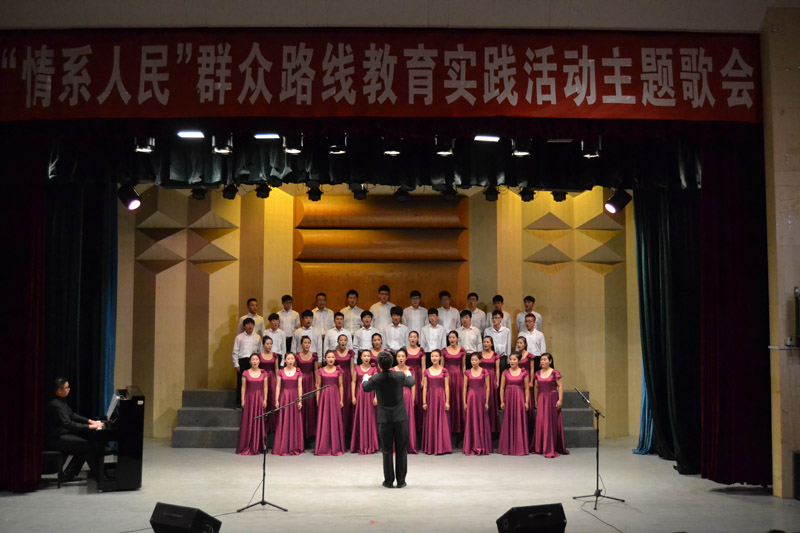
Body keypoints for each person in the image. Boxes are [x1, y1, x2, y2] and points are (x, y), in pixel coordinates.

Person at [362, 351, 415, 488]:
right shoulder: (399, 375)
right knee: (401, 450)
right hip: (400, 418)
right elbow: (411, 382)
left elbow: (365, 388)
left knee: (387, 451)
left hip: (384, 419)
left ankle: (388, 481)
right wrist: (409, 373)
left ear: (379, 365)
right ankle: (401, 481)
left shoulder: (376, 378)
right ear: (392, 364)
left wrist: (365, 378)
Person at [45, 378, 104, 481]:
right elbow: (68, 424)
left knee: (84, 447)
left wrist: (90, 421)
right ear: (59, 390)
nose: (69, 389)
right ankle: (99, 476)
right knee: (86, 446)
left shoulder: (60, 401)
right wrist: (90, 427)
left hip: (62, 435)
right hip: (57, 438)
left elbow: (72, 415)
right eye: (67, 387)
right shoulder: (55, 404)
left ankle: (69, 475)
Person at [532, 353, 569, 458]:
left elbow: (560, 386)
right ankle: (540, 447)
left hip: (552, 399)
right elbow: (536, 387)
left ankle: (549, 447)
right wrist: (535, 400)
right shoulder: (537, 373)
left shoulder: (555, 373)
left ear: (550, 361)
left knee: (550, 423)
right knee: (541, 422)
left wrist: (560, 400)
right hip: (541, 398)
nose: (542, 361)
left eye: (545, 359)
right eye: (541, 360)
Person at [498, 352, 530, 456]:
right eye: (510, 359)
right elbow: (502, 388)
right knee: (508, 421)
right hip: (508, 399)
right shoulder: (505, 372)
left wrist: (526, 402)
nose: (512, 361)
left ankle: (519, 447)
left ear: (519, 361)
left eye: (514, 359)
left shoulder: (524, 373)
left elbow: (527, 388)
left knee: (519, 420)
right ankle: (507, 447)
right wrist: (502, 401)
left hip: (519, 398)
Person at [272, 352, 304, 456]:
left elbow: (299, 387)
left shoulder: (298, 372)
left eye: (292, 359)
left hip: (294, 397)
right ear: (285, 360)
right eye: (288, 359)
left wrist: (300, 400)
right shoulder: (281, 372)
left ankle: (294, 446)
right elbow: (278, 386)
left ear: (295, 360)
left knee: (294, 420)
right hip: (284, 397)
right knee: (284, 420)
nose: (290, 361)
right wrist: (276, 400)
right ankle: (283, 446)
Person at [421, 349, 452, 455]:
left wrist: (447, 401)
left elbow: (447, 387)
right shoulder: (427, 371)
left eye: (436, 356)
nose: (434, 358)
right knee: (431, 420)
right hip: (431, 397)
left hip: (441, 396)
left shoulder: (444, 371)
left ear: (440, 358)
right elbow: (425, 387)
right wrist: (424, 401)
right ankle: (431, 446)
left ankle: (442, 447)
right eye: (432, 356)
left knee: (442, 420)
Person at [236, 354, 268, 455]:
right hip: (249, 398)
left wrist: (265, 399)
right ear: (250, 361)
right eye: (253, 360)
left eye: (256, 359)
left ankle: (258, 445)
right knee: (248, 420)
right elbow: (243, 387)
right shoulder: (245, 373)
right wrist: (242, 399)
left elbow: (265, 387)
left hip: (259, 398)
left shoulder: (264, 373)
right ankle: (247, 444)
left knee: (259, 421)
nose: (255, 361)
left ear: (259, 361)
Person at [315, 351, 345, 456]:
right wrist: (318, 399)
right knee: (324, 419)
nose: (331, 359)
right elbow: (318, 385)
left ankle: (336, 446)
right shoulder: (320, 370)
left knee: (334, 419)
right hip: (324, 396)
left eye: (332, 357)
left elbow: (341, 385)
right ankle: (323, 446)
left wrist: (341, 399)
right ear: (325, 359)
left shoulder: (338, 370)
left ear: (335, 359)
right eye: (329, 357)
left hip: (335, 395)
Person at [350, 350, 380, 455]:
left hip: (370, 395)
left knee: (371, 418)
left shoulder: (374, 369)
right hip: (360, 395)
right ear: (361, 358)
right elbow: (353, 382)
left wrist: (376, 397)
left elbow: (376, 384)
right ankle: (360, 444)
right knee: (360, 417)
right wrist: (353, 396)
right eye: (364, 356)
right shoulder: (356, 369)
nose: (366, 358)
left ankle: (371, 444)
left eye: (368, 356)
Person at [463, 353, 492, 456]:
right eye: (472, 360)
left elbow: (488, 387)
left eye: (475, 360)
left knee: (481, 419)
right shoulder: (467, 372)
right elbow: (465, 388)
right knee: (471, 420)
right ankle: (471, 444)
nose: (474, 362)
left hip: (481, 397)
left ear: (480, 360)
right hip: (471, 397)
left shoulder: (484, 372)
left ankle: (482, 444)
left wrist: (487, 401)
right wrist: (464, 402)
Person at [232, 317, 262, 409]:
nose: (250, 326)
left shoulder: (257, 337)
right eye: (248, 324)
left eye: (252, 324)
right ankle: (239, 403)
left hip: (253, 362)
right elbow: (235, 351)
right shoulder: (239, 337)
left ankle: (251, 403)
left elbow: (259, 351)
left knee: (253, 383)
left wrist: (258, 363)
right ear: (244, 326)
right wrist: (236, 364)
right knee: (241, 382)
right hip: (242, 361)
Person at [393, 348, 417, 454]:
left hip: (407, 396)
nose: (401, 358)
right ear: (396, 358)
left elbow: (413, 385)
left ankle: (408, 445)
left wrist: (413, 399)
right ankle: (397, 446)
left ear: (406, 358)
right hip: (395, 397)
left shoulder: (410, 370)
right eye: (399, 356)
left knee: (407, 420)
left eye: (403, 356)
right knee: (396, 421)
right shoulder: (392, 370)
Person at [295, 336, 319, 443]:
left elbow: (316, 370)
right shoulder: (297, 356)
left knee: (310, 405)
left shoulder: (314, 356)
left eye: (308, 342)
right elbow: (295, 370)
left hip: (310, 381)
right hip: (300, 381)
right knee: (301, 404)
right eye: (305, 342)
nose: (307, 344)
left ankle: (310, 434)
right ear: (301, 344)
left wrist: (317, 383)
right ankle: (300, 432)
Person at [443, 330, 466, 436]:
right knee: (448, 398)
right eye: (450, 337)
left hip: (458, 376)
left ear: (457, 338)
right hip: (447, 376)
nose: (452, 339)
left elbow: (464, 366)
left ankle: (459, 428)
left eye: (453, 337)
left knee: (458, 399)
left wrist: (464, 378)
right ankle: (447, 426)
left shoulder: (462, 350)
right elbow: (442, 366)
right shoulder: (444, 350)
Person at [333, 334, 356, 436]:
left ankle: (348, 428)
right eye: (341, 340)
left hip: (347, 377)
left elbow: (352, 367)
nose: (343, 342)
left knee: (347, 400)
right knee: (338, 399)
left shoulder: (350, 353)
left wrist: (353, 379)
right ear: (338, 342)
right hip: (337, 377)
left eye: (345, 340)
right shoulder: (334, 353)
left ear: (347, 342)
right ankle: (337, 427)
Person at [479, 336, 501, 433]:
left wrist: (497, 380)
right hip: (481, 378)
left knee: (491, 400)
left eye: (487, 342)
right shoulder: (479, 355)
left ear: (491, 343)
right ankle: (482, 424)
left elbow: (497, 369)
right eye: (484, 342)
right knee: (482, 399)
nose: (485, 344)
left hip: (491, 377)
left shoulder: (495, 355)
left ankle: (492, 427)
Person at [405, 330, 426, 433]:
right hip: (407, 375)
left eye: (415, 337)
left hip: (417, 375)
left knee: (418, 398)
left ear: (418, 339)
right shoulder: (405, 350)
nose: (413, 338)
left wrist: (423, 379)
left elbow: (423, 367)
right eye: (411, 337)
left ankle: (419, 426)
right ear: (408, 338)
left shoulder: (421, 351)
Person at [258, 336, 279, 434]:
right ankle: (262, 424)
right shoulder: (259, 356)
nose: (269, 346)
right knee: (262, 400)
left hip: (272, 378)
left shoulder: (275, 356)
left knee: (272, 399)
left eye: (270, 344)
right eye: (267, 344)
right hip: (262, 378)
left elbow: (276, 369)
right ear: (263, 344)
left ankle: (272, 425)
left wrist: (278, 380)